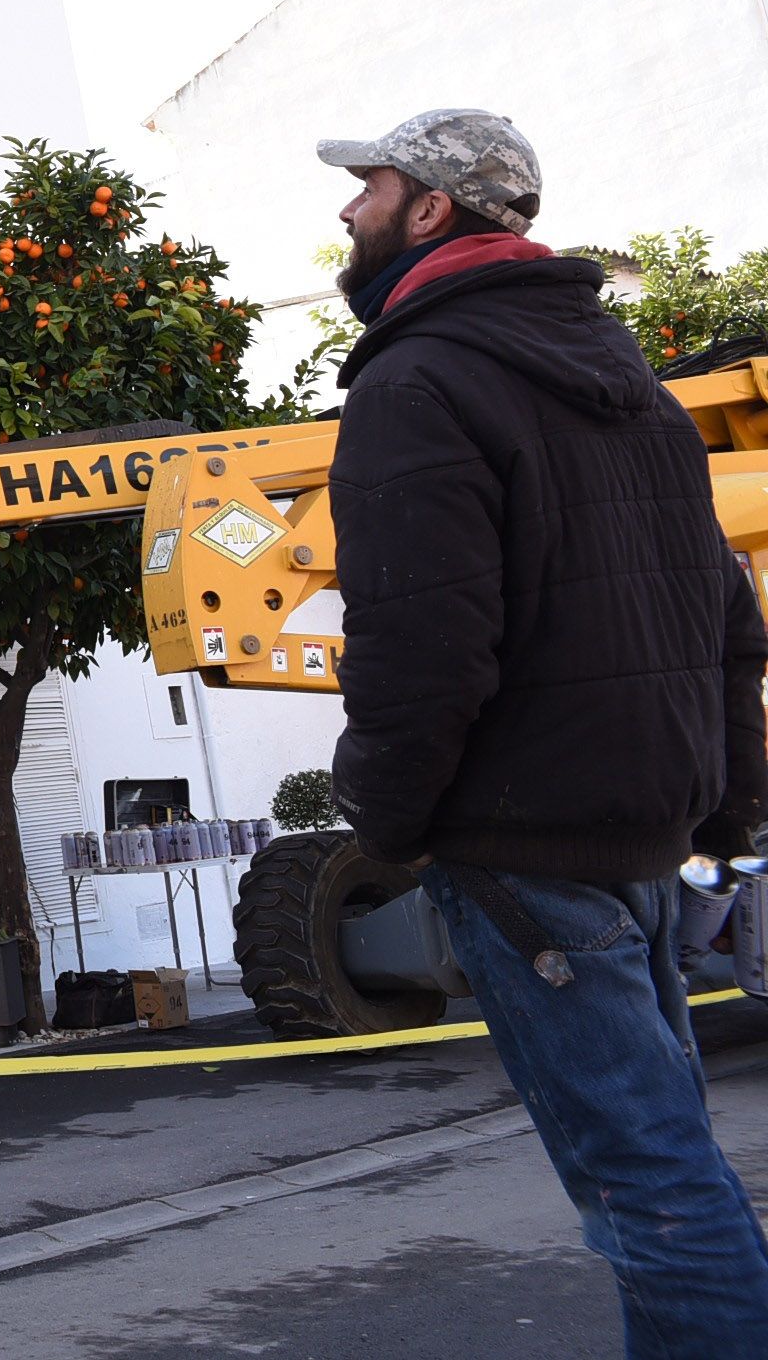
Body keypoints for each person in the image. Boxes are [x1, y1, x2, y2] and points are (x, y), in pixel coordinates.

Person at [321, 106, 768, 1354]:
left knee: (648, 1188)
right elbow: (726, 615)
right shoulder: (631, 384)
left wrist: (387, 823)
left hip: (521, 849)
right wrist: (726, 804)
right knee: (665, 1161)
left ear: (428, 210)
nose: (347, 208)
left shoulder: (414, 381)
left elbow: (419, 645)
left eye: (369, 186)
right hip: (639, 837)